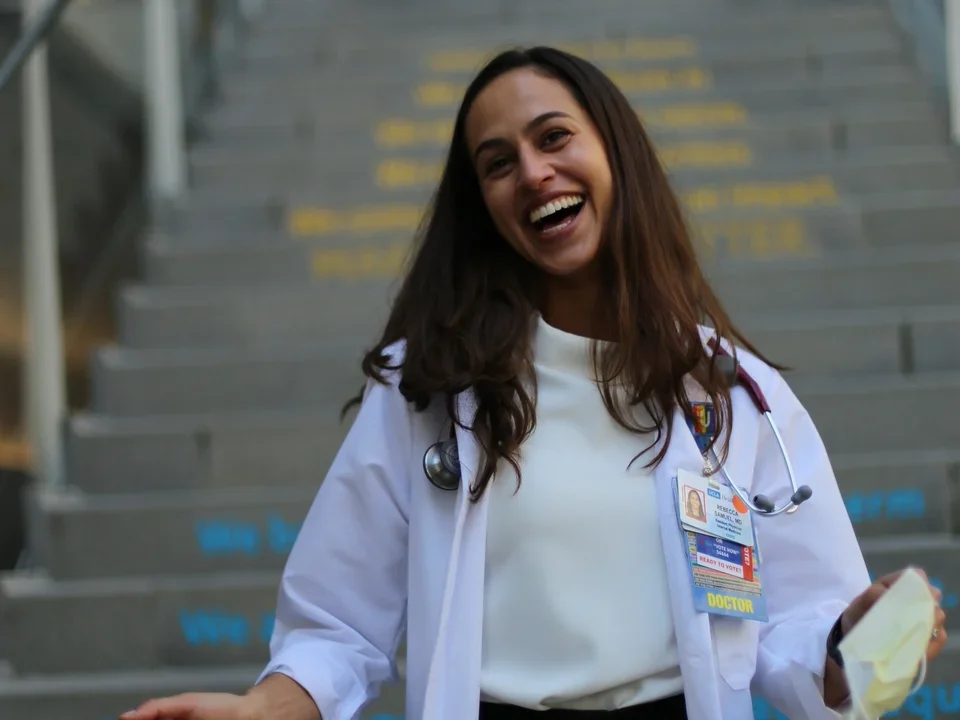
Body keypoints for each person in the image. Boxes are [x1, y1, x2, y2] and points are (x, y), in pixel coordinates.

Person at [121, 46, 948, 720]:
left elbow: (800, 627)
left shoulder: (732, 392)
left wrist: (852, 643)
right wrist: (267, 707)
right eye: (498, 163)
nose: (534, 172)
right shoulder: (429, 390)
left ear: (614, 151)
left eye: (555, 138)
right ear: (483, 207)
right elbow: (338, 621)